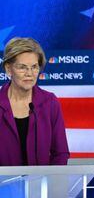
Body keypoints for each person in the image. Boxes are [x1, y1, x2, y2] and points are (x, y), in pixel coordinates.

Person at [0, 37, 70, 166]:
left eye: (34, 67)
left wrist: (52, 182)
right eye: (22, 67)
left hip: (40, 184)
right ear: (9, 69)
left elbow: (60, 153)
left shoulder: (49, 103)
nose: (29, 73)